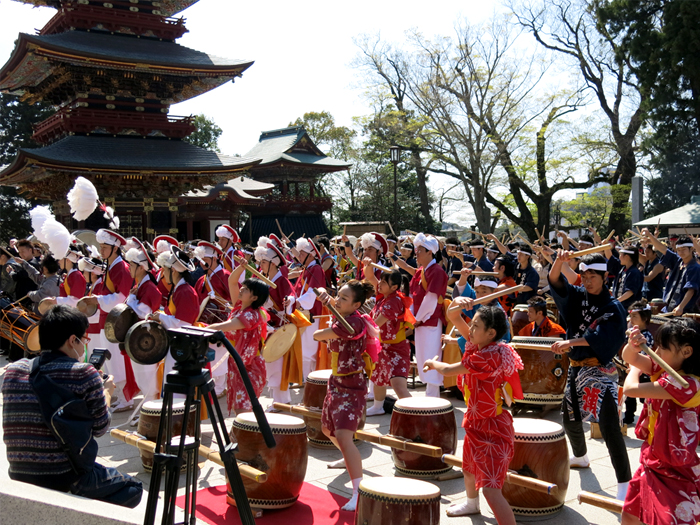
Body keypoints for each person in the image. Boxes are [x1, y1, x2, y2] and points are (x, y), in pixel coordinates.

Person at [1, 305, 142, 507]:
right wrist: (107, 393)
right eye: (84, 339)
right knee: (133, 488)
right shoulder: (84, 373)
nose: (85, 344)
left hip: (19, 472)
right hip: (63, 475)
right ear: (72, 340)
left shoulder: (14, 371)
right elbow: (101, 428)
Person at [424, 306, 523, 524]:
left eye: (476, 326)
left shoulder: (487, 357)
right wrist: (457, 306)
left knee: (490, 490)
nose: (470, 329)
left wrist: (432, 363)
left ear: (491, 333)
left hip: (493, 429)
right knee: (468, 468)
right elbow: (455, 319)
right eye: (472, 323)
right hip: (477, 421)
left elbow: (449, 370)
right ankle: (471, 503)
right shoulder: (481, 346)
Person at [548, 251, 631, 500]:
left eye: (592, 275)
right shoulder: (577, 297)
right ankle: (582, 456)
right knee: (570, 418)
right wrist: (559, 261)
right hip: (576, 366)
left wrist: (570, 341)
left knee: (608, 427)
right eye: (583, 275)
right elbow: (555, 280)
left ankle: (625, 484)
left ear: (604, 277)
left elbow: (601, 339)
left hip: (600, 369)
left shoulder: (613, 307)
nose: (586, 280)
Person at [621, 319, 700, 525]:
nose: (656, 351)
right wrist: (633, 346)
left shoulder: (688, 384)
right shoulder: (667, 368)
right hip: (654, 456)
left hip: (674, 462)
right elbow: (630, 356)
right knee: (631, 512)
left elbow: (631, 389)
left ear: (686, 352)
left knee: (669, 519)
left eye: (663, 348)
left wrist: (634, 371)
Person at [313, 280, 378, 512]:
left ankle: (359, 490)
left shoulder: (354, 322)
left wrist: (326, 306)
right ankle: (347, 455)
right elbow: (328, 299)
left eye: (343, 298)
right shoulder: (344, 313)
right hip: (337, 380)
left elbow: (319, 335)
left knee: (342, 434)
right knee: (327, 430)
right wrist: (324, 295)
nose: (338, 301)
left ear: (357, 304)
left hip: (353, 384)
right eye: (337, 296)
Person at [208, 265, 270, 415]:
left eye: (246, 289)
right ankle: (240, 435)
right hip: (238, 364)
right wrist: (242, 266)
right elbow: (232, 281)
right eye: (243, 286)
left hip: (251, 367)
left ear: (254, 298)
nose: (241, 289)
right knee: (240, 406)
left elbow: (226, 326)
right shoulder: (239, 307)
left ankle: (244, 436)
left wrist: (201, 329)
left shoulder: (252, 315)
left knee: (244, 408)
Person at [365, 270, 414, 415]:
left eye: (384, 282)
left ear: (394, 287)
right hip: (382, 345)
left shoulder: (394, 302)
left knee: (398, 385)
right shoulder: (384, 297)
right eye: (381, 280)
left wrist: (357, 325)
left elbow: (375, 324)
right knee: (379, 377)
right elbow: (371, 279)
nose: (379, 283)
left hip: (396, 348)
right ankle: (378, 406)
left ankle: (417, 411)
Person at [408, 233, 448, 397]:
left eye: (420, 250)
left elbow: (431, 299)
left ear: (430, 252)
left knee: (431, 354)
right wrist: (412, 317)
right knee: (423, 355)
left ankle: (433, 394)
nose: (416, 253)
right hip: (419, 320)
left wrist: (417, 319)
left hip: (429, 320)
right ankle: (429, 392)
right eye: (416, 250)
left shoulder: (437, 271)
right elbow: (412, 296)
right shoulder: (420, 271)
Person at [643, 230, 700, 316]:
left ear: (691, 249)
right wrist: (650, 235)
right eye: (679, 250)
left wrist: (681, 306)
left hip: (685, 311)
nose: (681, 252)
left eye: (683, 250)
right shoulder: (678, 261)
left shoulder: (695, 267)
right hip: (670, 308)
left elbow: (691, 290)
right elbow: (663, 249)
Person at [622, 299, 654, 425]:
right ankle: (629, 417)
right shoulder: (632, 333)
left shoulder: (647, 336)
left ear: (644, 318)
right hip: (632, 368)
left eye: (634, 316)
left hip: (642, 370)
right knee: (629, 397)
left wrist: (634, 366)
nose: (631, 318)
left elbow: (644, 355)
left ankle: (648, 419)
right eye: (630, 316)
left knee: (644, 398)